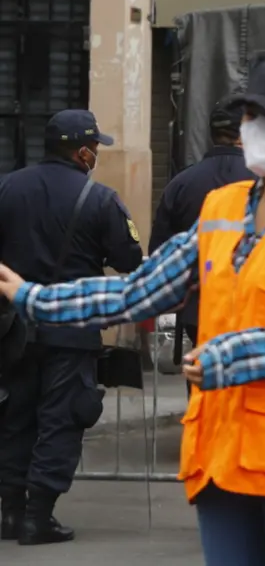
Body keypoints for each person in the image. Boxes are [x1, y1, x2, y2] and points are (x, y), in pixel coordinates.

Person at [0, 55, 265, 564]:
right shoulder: (222, 208)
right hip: (223, 454)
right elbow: (138, 291)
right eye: (252, 116)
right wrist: (33, 297)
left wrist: (230, 356)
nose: (256, 129)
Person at [0, 109, 143, 545]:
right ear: (82, 152)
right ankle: (38, 517)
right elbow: (129, 260)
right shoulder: (99, 199)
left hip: (13, 330)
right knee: (61, 419)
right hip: (72, 330)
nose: (96, 153)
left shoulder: (7, 187)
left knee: (13, 418)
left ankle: (10, 513)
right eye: (95, 147)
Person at [148, 94, 254, 395]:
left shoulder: (181, 184)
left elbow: (160, 255)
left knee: (202, 388)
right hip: (253, 307)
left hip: (199, 309)